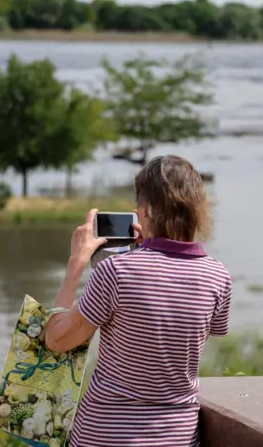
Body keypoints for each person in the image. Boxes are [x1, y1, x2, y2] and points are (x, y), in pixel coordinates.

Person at [45, 155, 232, 447]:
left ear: (143, 212)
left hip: (104, 437)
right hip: (177, 438)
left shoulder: (115, 272)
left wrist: (76, 263)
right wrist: (151, 252)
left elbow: (57, 340)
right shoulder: (217, 276)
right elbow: (183, 332)